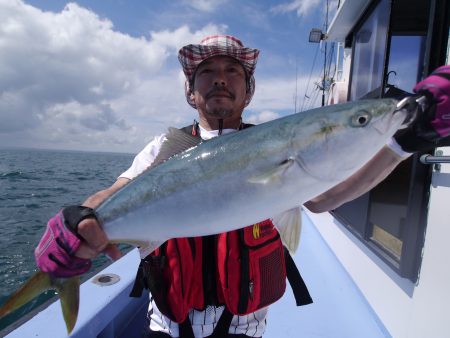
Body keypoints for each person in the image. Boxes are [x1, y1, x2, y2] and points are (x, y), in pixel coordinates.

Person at [34, 36, 450, 338]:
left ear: (248, 91)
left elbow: (325, 198)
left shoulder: (283, 147)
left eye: (233, 72)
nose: (220, 79)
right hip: (167, 324)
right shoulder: (164, 147)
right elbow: (113, 193)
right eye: (207, 73)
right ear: (190, 91)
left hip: (245, 326)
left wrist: (401, 143)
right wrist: (81, 219)